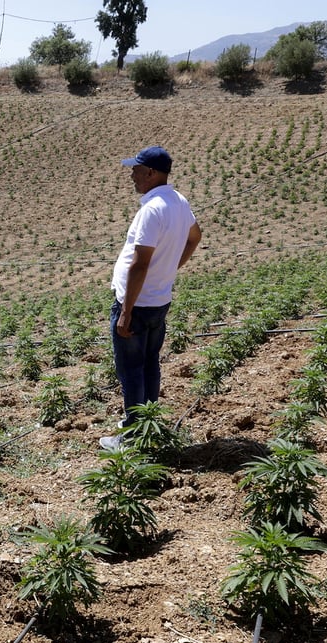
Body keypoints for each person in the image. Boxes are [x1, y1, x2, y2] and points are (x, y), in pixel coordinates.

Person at [101, 146, 202, 451]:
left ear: (151, 173)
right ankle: (149, 423)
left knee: (131, 368)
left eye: (136, 170)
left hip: (139, 303)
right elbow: (195, 237)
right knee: (149, 364)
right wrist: (172, 266)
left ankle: (132, 436)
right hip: (159, 299)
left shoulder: (152, 209)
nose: (132, 175)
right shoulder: (179, 202)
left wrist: (125, 311)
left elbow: (140, 263)